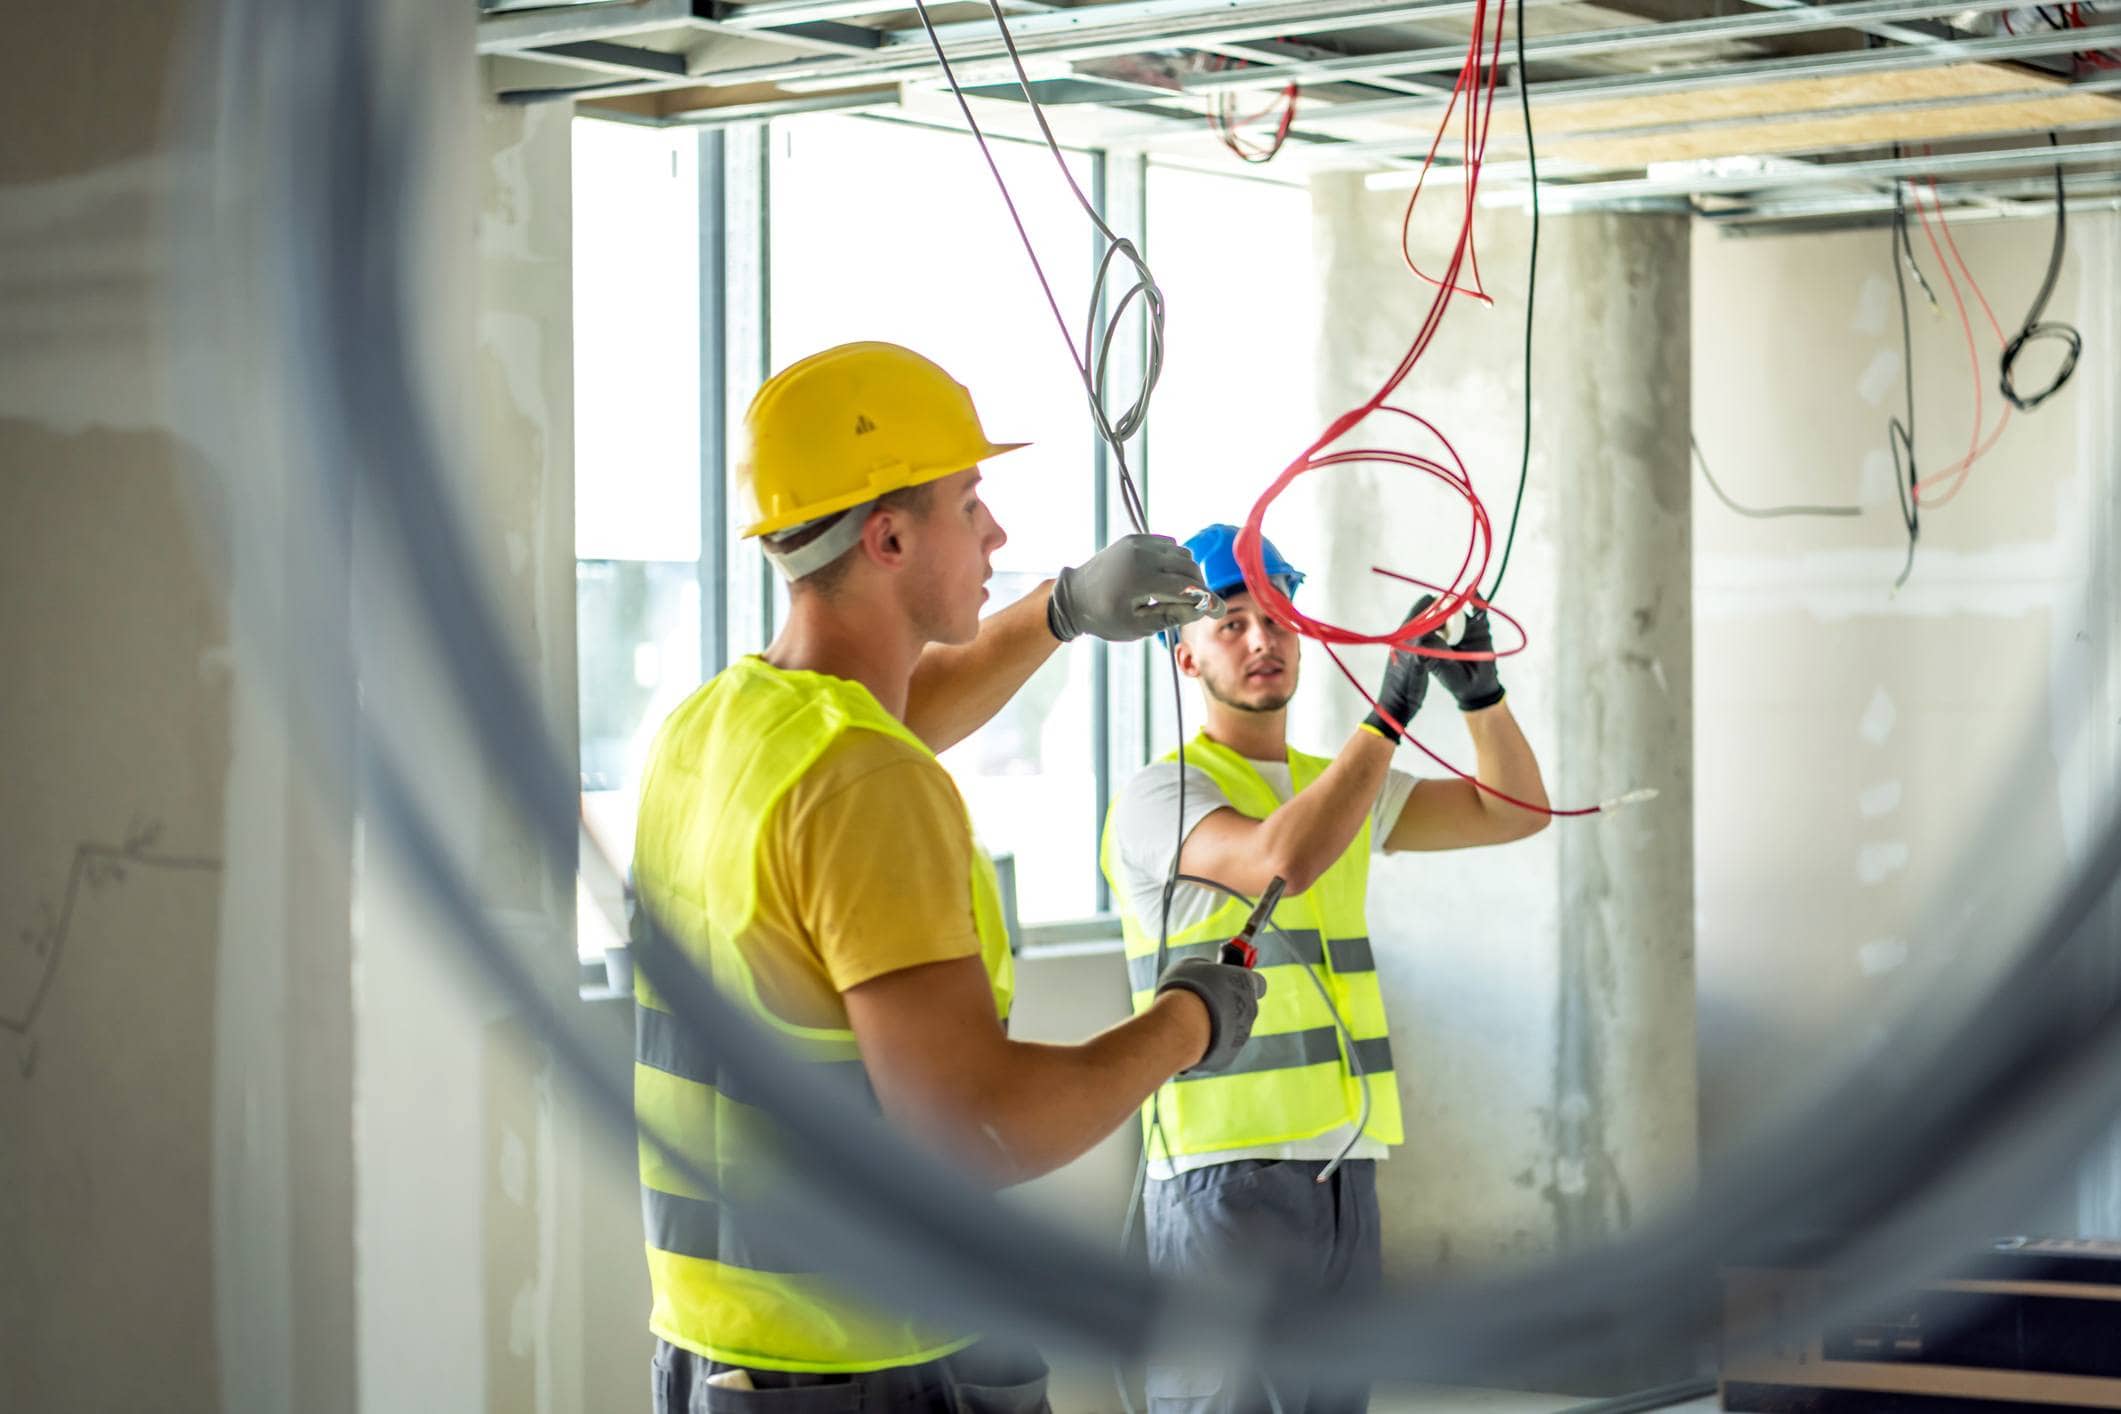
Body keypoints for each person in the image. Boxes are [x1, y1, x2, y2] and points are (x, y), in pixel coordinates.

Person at [629, 342, 1268, 1413]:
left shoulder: (720, 726)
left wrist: (1061, 609)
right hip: (861, 1363)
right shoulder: (865, 783)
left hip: (719, 1354)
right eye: (970, 504)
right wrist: (1189, 1022)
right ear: (887, 536)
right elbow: (976, 1126)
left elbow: (895, 717)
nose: (997, 535)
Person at [1099, 522, 1552, 1414]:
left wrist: (1481, 697)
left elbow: (1515, 812)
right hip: (1221, 1174)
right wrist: (1385, 715)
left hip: (1340, 1166)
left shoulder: (1333, 786)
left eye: (1276, 616)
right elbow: (1279, 860)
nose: (1261, 639)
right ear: (1182, 657)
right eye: (1228, 622)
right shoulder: (1163, 795)